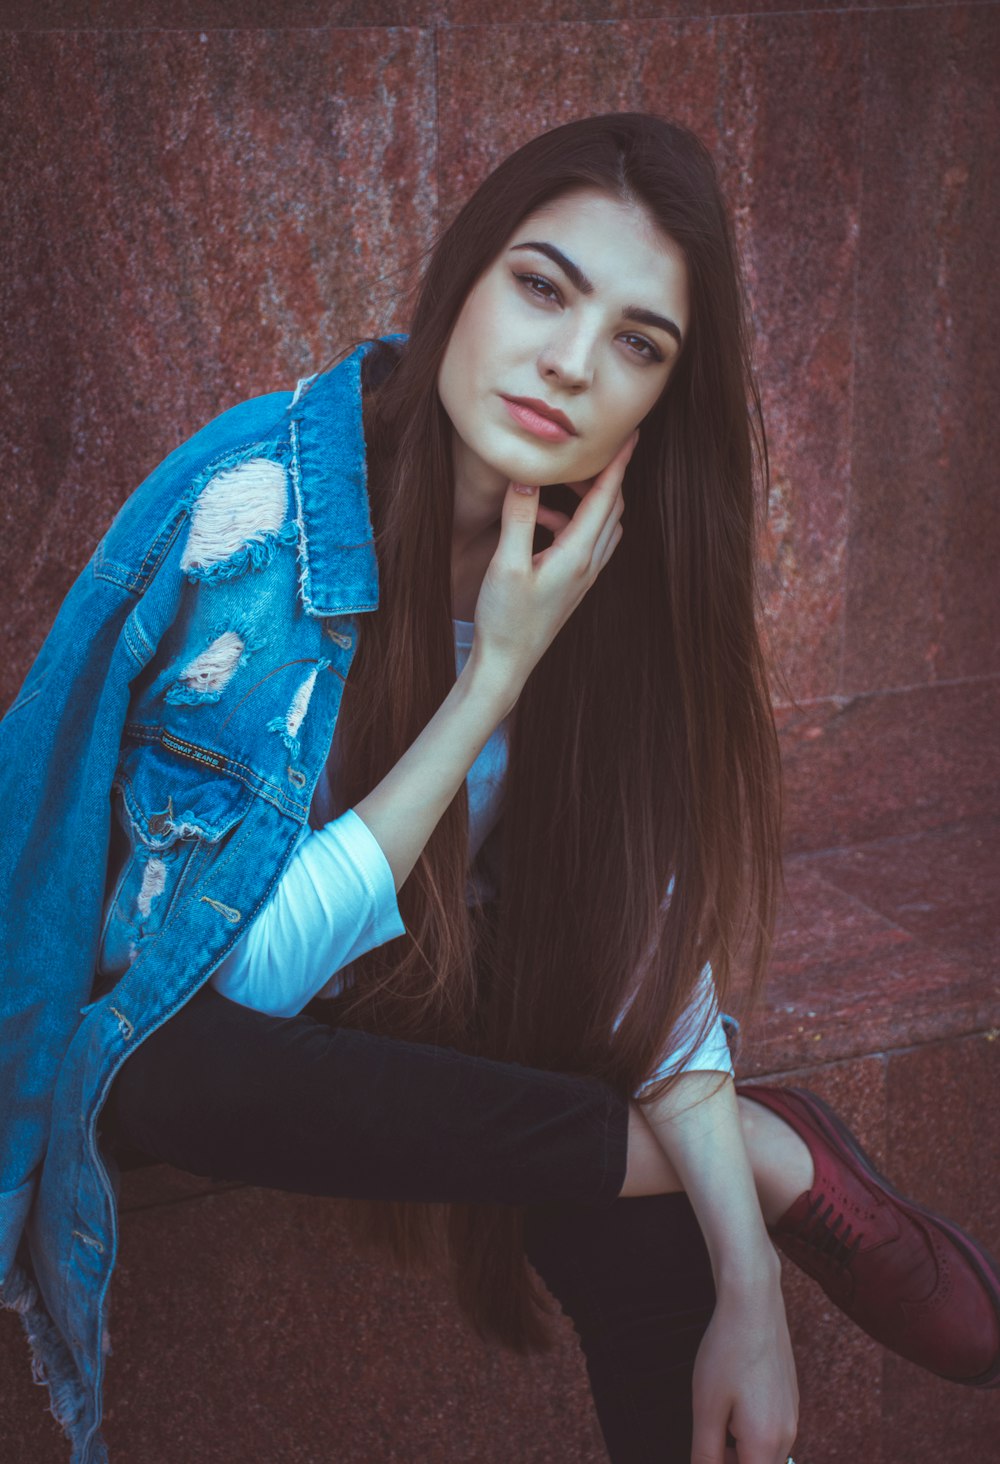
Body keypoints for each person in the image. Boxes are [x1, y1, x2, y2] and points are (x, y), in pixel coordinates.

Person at [1, 112, 997, 1464]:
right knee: (154, 1081)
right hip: (227, 1017)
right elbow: (213, 996)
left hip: (452, 1005)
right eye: (543, 286)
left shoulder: (619, 565)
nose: (572, 364)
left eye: (638, 343)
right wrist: (492, 682)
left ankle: (737, 1193)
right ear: (464, 275)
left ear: (662, 399)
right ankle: (779, 1156)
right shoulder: (261, 526)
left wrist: (752, 1284)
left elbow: (636, 943)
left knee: (658, 1253)